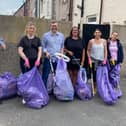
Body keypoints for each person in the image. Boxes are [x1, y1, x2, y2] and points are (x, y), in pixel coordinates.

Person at [41, 21, 64, 86]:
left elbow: (62, 47)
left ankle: (56, 91)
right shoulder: (45, 35)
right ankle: (44, 91)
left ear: (57, 27)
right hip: (48, 59)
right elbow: (43, 46)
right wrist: (46, 52)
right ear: (50, 27)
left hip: (58, 59)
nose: (54, 27)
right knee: (45, 75)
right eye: (53, 26)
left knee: (57, 76)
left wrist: (62, 56)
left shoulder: (61, 36)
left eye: (55, 26)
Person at [87, 29, 107, 94]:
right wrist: (89, 59)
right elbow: (88, 50)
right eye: (96, 32)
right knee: (95, 75)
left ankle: (101, 88)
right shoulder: (91, 41)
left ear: (100, 34)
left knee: (101, 75)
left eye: (98, 32)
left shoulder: (104, 41)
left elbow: (105, 51)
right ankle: (95, 88)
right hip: (93, 61)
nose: (97, 33)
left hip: (101, 61)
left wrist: (105, 59)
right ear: (94, 34)